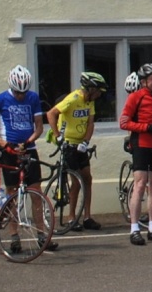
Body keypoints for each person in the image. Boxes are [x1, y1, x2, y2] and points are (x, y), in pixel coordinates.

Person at [0, 65, 56, 252]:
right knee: (12, 194)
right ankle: (14, 237)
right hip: (9, 151)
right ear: (11, 87)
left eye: (23, 92)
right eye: (17, 92)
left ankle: (42, 235)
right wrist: (4, 144)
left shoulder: (33, 98)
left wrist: (29, 140)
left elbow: (39, 127)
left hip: (28, 150)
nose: (21, 96)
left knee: (36, 192)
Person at [45, 71, 107, 231]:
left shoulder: (90, 101)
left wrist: (86, 141)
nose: (100, 94)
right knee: (76, 180)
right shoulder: (73, 99)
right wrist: (58, 136)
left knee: (87, 178)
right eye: (98, 91)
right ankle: (71, 218)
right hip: (68, 143)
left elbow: (90, 123)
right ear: (90, 89)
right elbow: (50, 114)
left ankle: (87, 217)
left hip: (80, 144)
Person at [120, 63, 152, 245]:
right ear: (143, 82)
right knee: (140, 185)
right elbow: (124, 122)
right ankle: (134, 229)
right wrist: (148, 128)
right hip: (141, 145)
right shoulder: (135, 97)